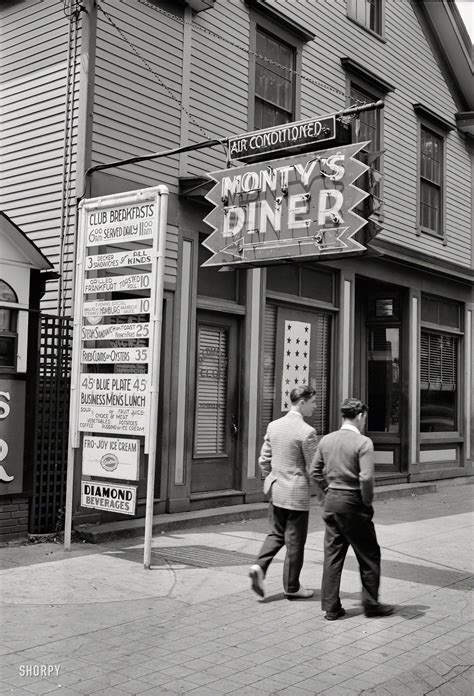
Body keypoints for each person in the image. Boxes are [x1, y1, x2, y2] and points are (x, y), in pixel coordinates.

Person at [310, 397, 394, 620]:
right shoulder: (363, 443)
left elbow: (314, 471)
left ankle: (331, 608)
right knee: (368, 554)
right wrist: (367, 500)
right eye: (364, 418)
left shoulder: (326, 440)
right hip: (353, 502)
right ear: (360, 416)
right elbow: (366, 477)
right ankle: (371, 604)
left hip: (332, 502)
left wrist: (327, 490)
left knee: (333, 555)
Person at [249, 385, 318, 600]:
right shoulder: (307, 432)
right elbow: (313, 468)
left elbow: (263, 460)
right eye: (313, 402)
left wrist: (271, 476)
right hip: (296, 494)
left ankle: (259, 566)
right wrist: (321, 490)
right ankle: (292, 587)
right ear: (302, 402)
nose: (315, 407)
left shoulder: (274, 425)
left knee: (276, 533)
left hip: (277, 489)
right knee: (295, 541)